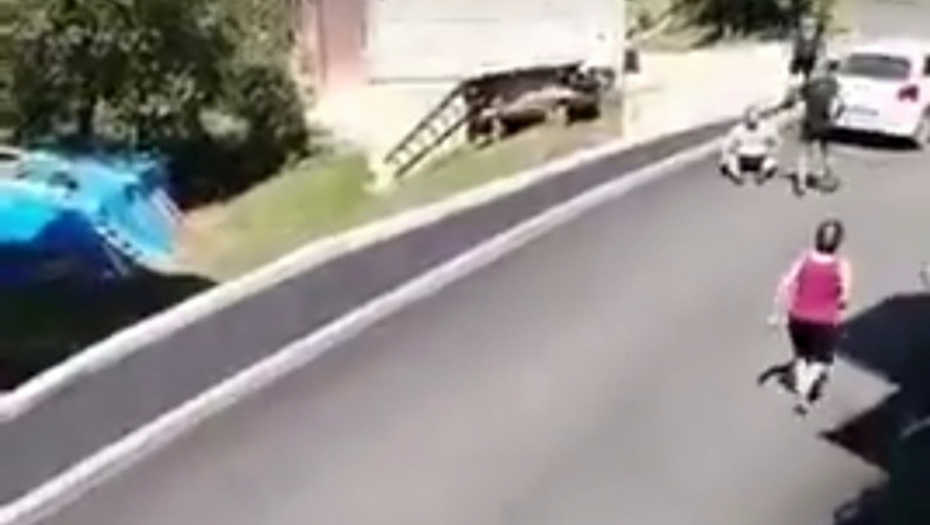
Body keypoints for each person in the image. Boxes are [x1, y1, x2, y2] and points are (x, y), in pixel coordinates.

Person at [765, 219, 852, 415]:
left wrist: (776, 313)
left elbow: (785, 283)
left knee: (802, 357)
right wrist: (838, 307)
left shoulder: (804, 259)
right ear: (838, 242)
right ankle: (804, 393)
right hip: (824, 322)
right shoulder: (841, 265)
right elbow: (844, 297)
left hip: (798, 318)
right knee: (821, 361)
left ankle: (800, 387)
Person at [793, 59, 844, 196]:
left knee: (804, 154)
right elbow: (840, 104)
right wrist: (835, 118)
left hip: (810, 121)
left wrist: (799, 117)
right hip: (825, 123)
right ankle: (829, 177)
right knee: (826, 151)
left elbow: (798, 101)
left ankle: (801, 184)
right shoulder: (833, 84)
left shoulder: (809, 84)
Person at [719, 106, 781, 185]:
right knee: (731, 161)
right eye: (750, 122)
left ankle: (762, 175)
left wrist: (772, 151)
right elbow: (727, 144)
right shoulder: (738, 130)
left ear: (758, 119)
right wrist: (724, 159)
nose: (752, 124)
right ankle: (737, 176)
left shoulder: (766, 128)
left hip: (760, 157)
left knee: (772, 164)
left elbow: (776, 141)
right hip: (743, 157)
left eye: (754, 122)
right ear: (745, 120)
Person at [789, 15, 825, 85]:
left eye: (811, 27)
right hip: (801, 57)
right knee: (795, 68)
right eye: (805, 27)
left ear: (815, 28)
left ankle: (809, 81)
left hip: (813, 58)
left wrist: (818, 64)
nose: (808, 29)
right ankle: (798, 81)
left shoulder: (819, 38)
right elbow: (796, 52)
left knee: (812, 71)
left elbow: (821, 52)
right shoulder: (798, 36)